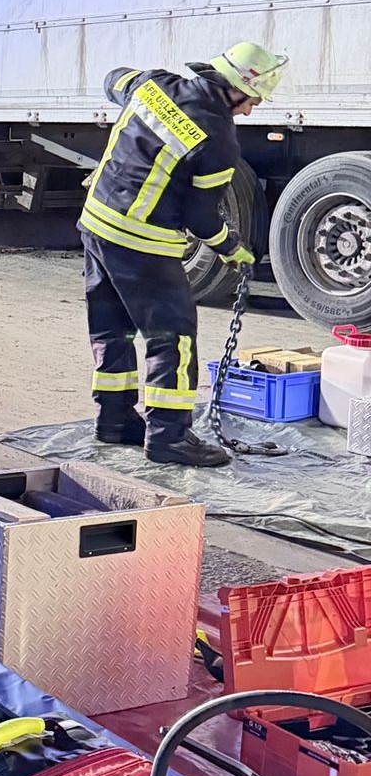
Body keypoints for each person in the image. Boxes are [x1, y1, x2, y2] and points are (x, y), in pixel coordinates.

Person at [79, 40, 287, 468]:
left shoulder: (151, 84)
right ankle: (169, 437)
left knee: (113, 329)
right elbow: (201, 217)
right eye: (252, 100)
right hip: (143, 242)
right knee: (172, 338)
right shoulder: (218, 141)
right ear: (234, 88)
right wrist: (232, 248)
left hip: (97, 225)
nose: (250, 111)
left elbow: (113, 79)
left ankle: (114, 420)